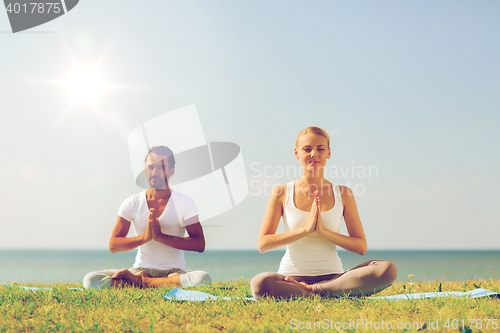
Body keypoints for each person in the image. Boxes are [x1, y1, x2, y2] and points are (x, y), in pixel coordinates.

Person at [250, 127, 397, 299]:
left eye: (320, 149)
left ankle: (315, 291)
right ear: (297, 153)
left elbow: (360, 247)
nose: (314, 154)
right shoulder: (282, 192)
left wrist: (323, 232)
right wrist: (305, 230)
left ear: (329, 153)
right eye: (307, 149)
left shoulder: (344, 193)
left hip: (334, 278)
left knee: (387, 269)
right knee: (260, 283)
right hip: (290, 279)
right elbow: (263, 243)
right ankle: (328, 294)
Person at [83, 146, 212, 289]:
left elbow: (199, 244)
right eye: (150, 167)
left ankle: (141, 283)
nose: (154, 172)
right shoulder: (132, 202)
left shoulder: (184, 202)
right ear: (145, 169)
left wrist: (161, 237)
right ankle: (155, 282)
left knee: (202, 279)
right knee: (91, 280)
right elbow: (114, 245)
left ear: (171, 171)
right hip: (140, 271)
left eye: (161, 167)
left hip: (174, 272)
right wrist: (145, 237)